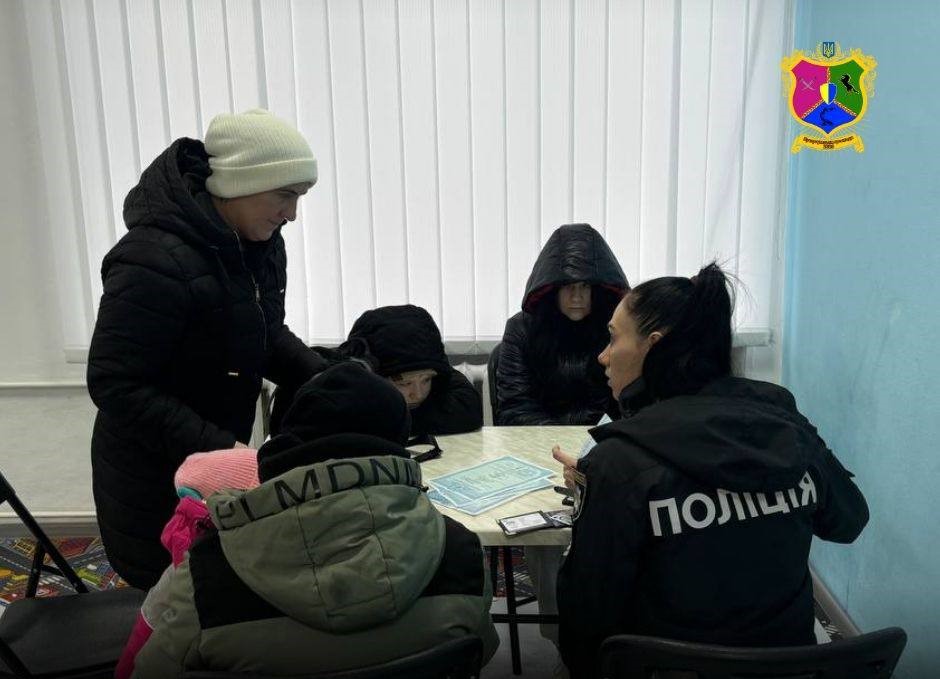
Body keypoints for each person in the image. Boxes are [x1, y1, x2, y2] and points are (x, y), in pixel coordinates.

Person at [553, 263, 869, 678]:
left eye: (613, 338)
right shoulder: (784, 426)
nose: (603, 355)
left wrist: (599, 489)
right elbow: (848, 520)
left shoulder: (618, 462)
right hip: (792, 666)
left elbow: (585, 620)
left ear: (652, 346)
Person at [87, 108, 329, 590]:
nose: (292, 214)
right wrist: (221, 448)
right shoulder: (151, 259)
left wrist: (327, 377)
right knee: (171, 597)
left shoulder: (260, 243)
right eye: (285, 195)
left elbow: (264, 333)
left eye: (299, 197)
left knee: (214, 590)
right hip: (153, 474)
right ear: (240, 183)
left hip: (214, 459)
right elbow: (115, 383)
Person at [132, 363, 499, 675]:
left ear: (290, 444)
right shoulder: (463, 552)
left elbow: (150, 670)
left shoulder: (206, 572)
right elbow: (481, 648)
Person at [494, 223, 629, 425]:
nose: (577, 297)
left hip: (604, 438)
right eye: (567, 286)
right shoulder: (521, 329)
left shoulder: (615, 328)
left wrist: (597, 438)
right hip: (538, 439)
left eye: (585, 286)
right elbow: (515, 407)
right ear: (551, 289)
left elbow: (626, 404)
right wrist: (557, 439)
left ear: (597, 290)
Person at [346, 304, 483, 436]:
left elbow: (468, 410)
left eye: (426, 380)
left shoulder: (437, 372)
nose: (418, 394)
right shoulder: (346, 385)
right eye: (404, 383)